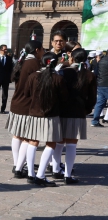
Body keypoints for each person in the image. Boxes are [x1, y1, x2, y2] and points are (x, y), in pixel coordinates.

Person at [21, 52, 68, 186]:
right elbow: (64, 97)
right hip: (51, 115)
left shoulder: (33, 76)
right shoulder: (57, 78)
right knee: (51, 144)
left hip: (34, 114)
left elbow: (26, 93)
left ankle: (31, 174)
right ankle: (41, 175)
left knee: (32, 142)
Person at [52, 49, 96, 184]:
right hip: (78, 112)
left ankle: (55, 169)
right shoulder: (89, 75)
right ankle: (68, 174)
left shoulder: (63, 72)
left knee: (58, 142)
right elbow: (92, 97)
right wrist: (86, 110)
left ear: (71, 59)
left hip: (61, 111)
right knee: (72, 143)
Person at [7, 41, 45, 176]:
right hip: (27, 103)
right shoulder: (34, 63)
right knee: (27, 138)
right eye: (42, 49)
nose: (43, 52)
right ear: (37, 50)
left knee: (17, 135)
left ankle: (17, 163)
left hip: (17, 102)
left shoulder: (22, 61)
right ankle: (19, 166)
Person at [0, 44, 14, 114]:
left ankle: (3, 109)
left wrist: (11, 77)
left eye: (6, 49)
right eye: (5, 49)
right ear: (1, 50)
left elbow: (11, 69)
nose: (6, 51)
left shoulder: (9, 59)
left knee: (5, 95)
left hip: (6, 79)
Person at [91, 48, 108, 127]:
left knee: (99, 103)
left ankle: (95, 121)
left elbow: (95, 72)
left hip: (101, 84)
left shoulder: (100, 61)